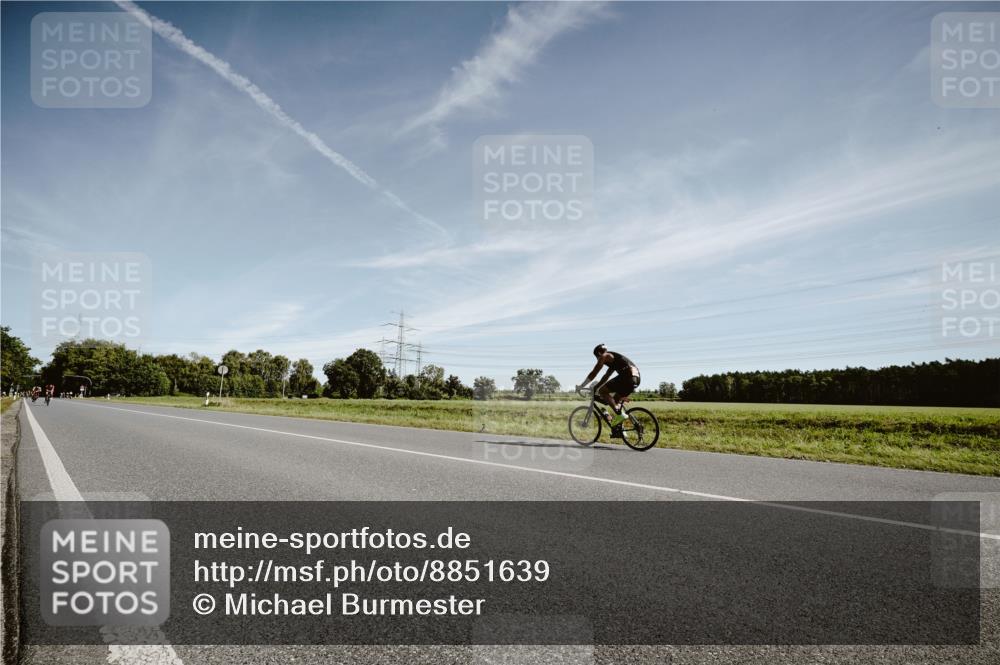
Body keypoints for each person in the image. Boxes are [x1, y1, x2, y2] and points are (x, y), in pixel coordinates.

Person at [577, 344, 641, 438]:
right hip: (635, 380)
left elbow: (594, 372)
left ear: (599, 353)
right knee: (615, 403)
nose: (598, 360)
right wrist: (596, 387)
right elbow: (606, 376)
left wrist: (581, 386)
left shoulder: (604, 356)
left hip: (627, 377)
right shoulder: (614, 359)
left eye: (597, 357)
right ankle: (621, 431)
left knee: (603, 392)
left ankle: (619, 416)